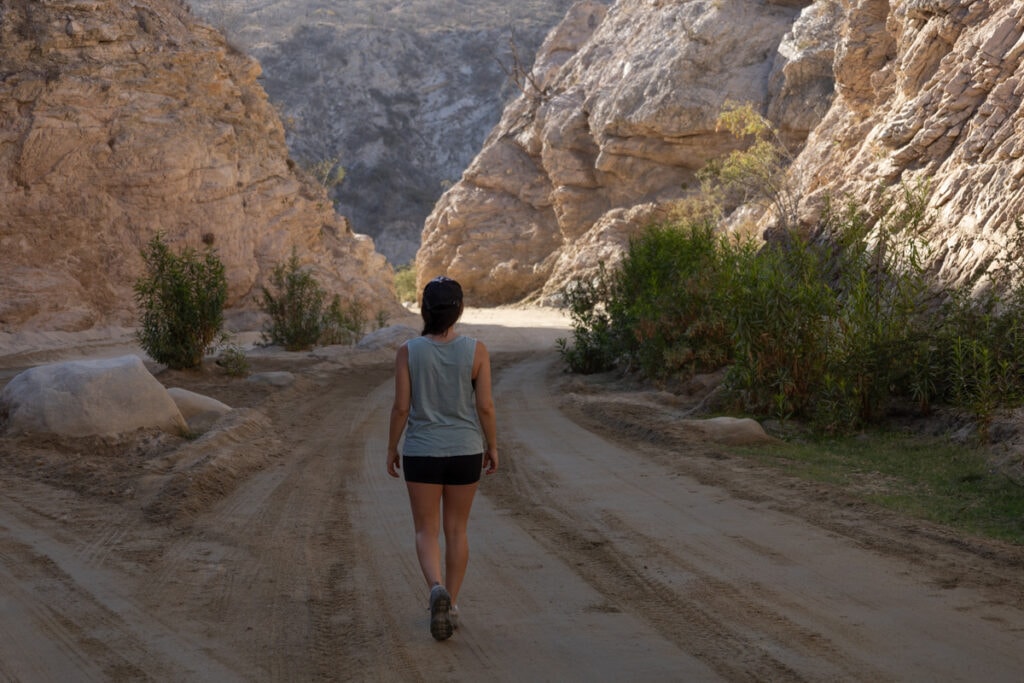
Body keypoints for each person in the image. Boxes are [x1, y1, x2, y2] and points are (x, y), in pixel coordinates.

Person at [386, 276, 499, 641]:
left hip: (422, 452)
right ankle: (451, 604)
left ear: (425, 309)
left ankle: (435, 587)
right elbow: (485, 406)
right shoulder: (476, 350)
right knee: (457, 530)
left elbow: (402, 407)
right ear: (459, 309)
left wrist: (392, 447)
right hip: (466, 449)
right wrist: (492, 446)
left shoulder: (408, 351)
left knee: (426, 530)